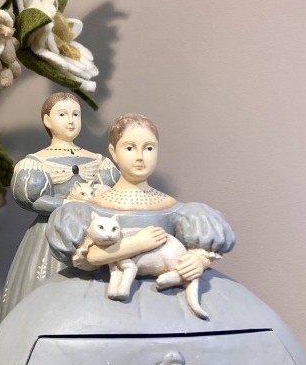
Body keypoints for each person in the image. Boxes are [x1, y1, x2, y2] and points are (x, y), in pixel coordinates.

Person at [47, 113, 235, 281]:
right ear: (113, 151)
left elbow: (200, 251)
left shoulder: (176, 209)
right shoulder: (90, 209)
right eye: (129, 148)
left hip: (166, 289)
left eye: (149, 148)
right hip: (107, 282)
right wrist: (138, 243)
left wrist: (198, 260)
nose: (140, 156)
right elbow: (92, 258)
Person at [0, 92, 119, 323]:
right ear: (47, 120)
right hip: (52, 233)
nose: (71, 120)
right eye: (62, 114)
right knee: (46, 297)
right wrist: (68, 204)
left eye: (75, 114)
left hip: (96, 233)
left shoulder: (97, 160)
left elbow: (112, 193)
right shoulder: (36, 162)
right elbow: (31, 199)